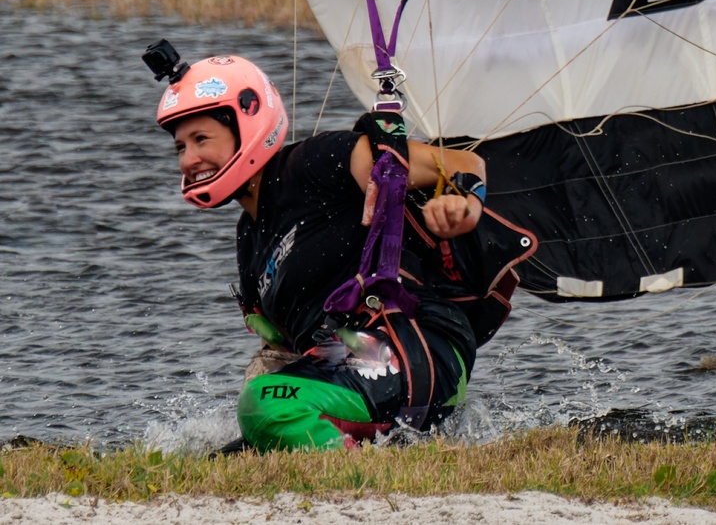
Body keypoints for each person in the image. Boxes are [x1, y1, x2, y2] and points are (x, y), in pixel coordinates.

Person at [146, 43, 532, 452]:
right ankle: (368, 459)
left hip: (419, 349)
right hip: (357, 371)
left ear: (248, 121)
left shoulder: (314, 163)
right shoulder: (249, 239)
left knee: (264, 407)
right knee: (236, 450)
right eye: (181, 147)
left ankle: (363, 478)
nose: (189, 159)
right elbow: (283, 348)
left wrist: (465, 207)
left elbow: (461, 165)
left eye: (201, 139)